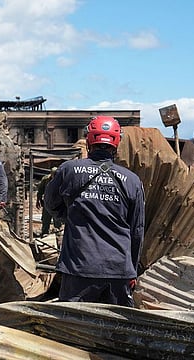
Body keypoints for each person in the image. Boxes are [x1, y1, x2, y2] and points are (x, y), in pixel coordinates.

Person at [44, 116, 145, 307]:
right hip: (118, 272)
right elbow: (137, 231)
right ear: (117, 143)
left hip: (78, 270)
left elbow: (50, 204)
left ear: (89, 140)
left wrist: (69, 217)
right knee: (118, 332)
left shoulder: (69, 170)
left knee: (72, 329)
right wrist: (131, 270)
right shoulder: (132, 181)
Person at [36, 167, 62, 236]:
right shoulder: (46, 179)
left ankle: (58, 231)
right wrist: (38, 200)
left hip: (57, 203)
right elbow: (40, 190)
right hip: (47, 202)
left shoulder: (61, 179)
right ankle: (45, 232)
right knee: (46, 218)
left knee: (57, 218)